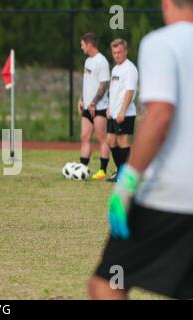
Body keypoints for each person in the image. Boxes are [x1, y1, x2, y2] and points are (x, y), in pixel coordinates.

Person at [89, 0, 193, 299]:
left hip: (173, 197)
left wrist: (127, 182)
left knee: (107, 283)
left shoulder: (160, 43)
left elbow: (159, 116)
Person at [78, 33, 110, 180]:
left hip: (99, 108)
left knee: (102, 138)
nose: (81, 47)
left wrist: (93, 102)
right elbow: (88, 83)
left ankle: (102, 171)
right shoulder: (87, 61)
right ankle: (83, 169)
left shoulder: (101, 61)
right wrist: (82, 99)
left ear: (89, 44)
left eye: (82, 44)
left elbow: (104, 85)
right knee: (84, 137)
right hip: (87, 107)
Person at [105, 39, 138, 182]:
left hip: (125, 113)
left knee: (123, 142)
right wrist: (109, 108)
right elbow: (114, 91)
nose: (117, 55)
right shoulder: (115, 69)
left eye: (119, 52)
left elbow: (130, 92)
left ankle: (127, 175)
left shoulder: (129, 68)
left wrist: (122, 111)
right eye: (114, 53)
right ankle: (120, 171)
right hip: (113, 112)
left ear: (125, 51)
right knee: (110, 141)